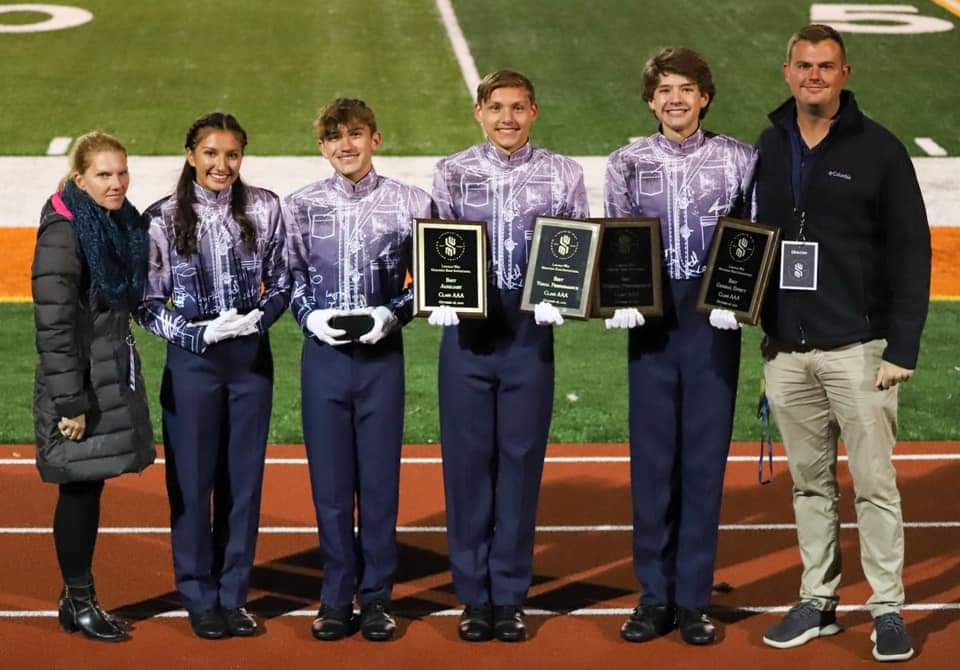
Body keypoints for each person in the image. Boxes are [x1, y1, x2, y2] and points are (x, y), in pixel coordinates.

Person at [755, 25, 930, 663]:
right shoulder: (769, 144)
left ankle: (886, 607)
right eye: (803, 65)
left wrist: (902, 348)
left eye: (826, 66)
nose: (814, 77)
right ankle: (817, 599)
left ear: (845, 72)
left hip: (858, 348)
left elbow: (913, 254)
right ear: (787, 71)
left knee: (876, 485)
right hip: (787, 349)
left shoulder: (880, 149)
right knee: (809, 485)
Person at [603, 47, 756, 645]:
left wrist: (741, 301)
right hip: (652, 324)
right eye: (665, 89)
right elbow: (618, 239)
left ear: (705, 96)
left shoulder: (742, 158)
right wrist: (621, 299)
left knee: (703, 462)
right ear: (650, 99)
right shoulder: (626, 163)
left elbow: (754, 239)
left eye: (687, 88)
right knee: (652, 464)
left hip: (713, 324)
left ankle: (693, 599)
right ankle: (653, 595)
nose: (675, 99)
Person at [429, 69, 589, 642]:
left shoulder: (564, 173)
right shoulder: (450, 171)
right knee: (468, 467)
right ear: (478, 112)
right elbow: (440, 243)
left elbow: (574, 248)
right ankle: (473, 597)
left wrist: (561, 303)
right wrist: (440, 297)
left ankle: (512, 596)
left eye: (518, 108)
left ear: (535, 112)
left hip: (529, 332)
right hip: (467, 334)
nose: (507, 118)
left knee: (520, 464)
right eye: (496, 107)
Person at [284, 98, 432, 642]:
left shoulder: (413, 201)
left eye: (356, 134)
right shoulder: (297, 206)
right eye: (334, 136)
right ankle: (333, 597)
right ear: (321, 145)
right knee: (329, 485)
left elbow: (436, 279)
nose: (345, 145)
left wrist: (392, 316)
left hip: (380, 358)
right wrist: (309, 317)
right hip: (322, 358)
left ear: (376, 138)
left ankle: (376, 598)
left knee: (378, 484)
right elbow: (288, 279)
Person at [139, 112, 290, 639]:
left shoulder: (267, 207)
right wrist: (196, 334)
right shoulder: (159, 217)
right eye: (210, 153)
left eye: (231, 155)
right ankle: (199, 596)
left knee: (243, 484)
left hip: (250, 361)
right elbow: (146, 302)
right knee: (192, 480)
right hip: (194, 362)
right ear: (190, 155)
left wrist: (258, 317)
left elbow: (285, 280)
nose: (221, 164)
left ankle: (234, 595)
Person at [32, 130, 155, 642]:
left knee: (91, 484)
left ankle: (73, 598)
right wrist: (71, 402)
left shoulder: (112, 222)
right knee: (79, 489)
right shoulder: (65, 232)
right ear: (79, 178)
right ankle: (81, 602)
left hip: (105, 373)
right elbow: (55, 325)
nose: (117, 183)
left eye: (122, 172)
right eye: (104, 174)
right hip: (81, 383)